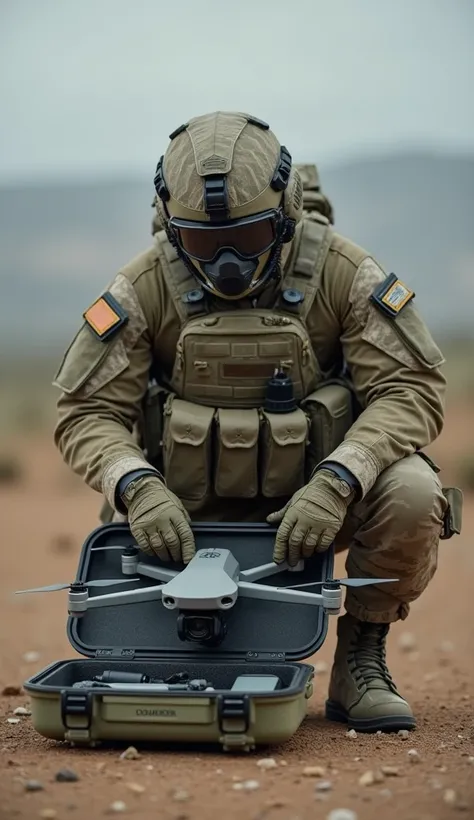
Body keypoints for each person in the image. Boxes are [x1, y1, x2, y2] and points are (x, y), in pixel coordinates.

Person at [52, 111, 462, 732]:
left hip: (315, 503)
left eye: (246, 240)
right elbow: (88, 410)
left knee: (413, 491)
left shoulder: (344, 273)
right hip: (181, 511)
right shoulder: (142, 287)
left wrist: (338, 481)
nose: (225, 264)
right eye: (199, 242)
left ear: (286, 213)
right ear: (170, 226)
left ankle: (361, 659)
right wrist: (135, 486)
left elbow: (410, 387)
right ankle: (162, 657)